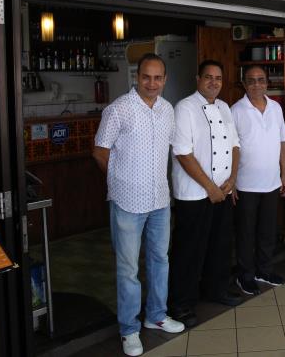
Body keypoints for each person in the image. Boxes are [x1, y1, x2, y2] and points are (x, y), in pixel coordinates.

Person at [93, 53, 184, 357]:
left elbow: (172, 150)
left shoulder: (167, 109)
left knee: (160, 259)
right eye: (146, 76)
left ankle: (156, 315)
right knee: (128, 268)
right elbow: (100, 151)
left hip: (159, 200)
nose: (151, 83)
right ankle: (129, 329)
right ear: (137, 77)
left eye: (158, 78)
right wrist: (119, 180)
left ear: (165, 79)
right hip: (127, 202)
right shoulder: (119, 109)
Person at [168, 60, 241, 328]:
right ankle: (181, 303)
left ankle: (216, 289)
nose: (213, 82)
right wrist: (209, 187)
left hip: (223, 191)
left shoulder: (224, 107)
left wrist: (232, 179)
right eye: (208, 77)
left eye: (218, 78)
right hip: (194, 194)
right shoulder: (184, 108)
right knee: (189, 250)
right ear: (197, 79)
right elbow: (182, 153)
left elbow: (235, 145)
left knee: (220, 245)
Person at [231, 66, 285, 295]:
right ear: (244, 84)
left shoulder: (276, 108)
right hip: (245, 185)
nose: (256, 84)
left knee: (267, 232)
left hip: (272, 183)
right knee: (245, 233)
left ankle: (264, 270)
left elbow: (282, 142)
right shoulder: (236, 110)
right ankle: (244, 275)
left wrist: (284, 174)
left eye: (261, 80)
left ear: (267, 83)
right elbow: (231, 148)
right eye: (251, 80)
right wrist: (232, 180)